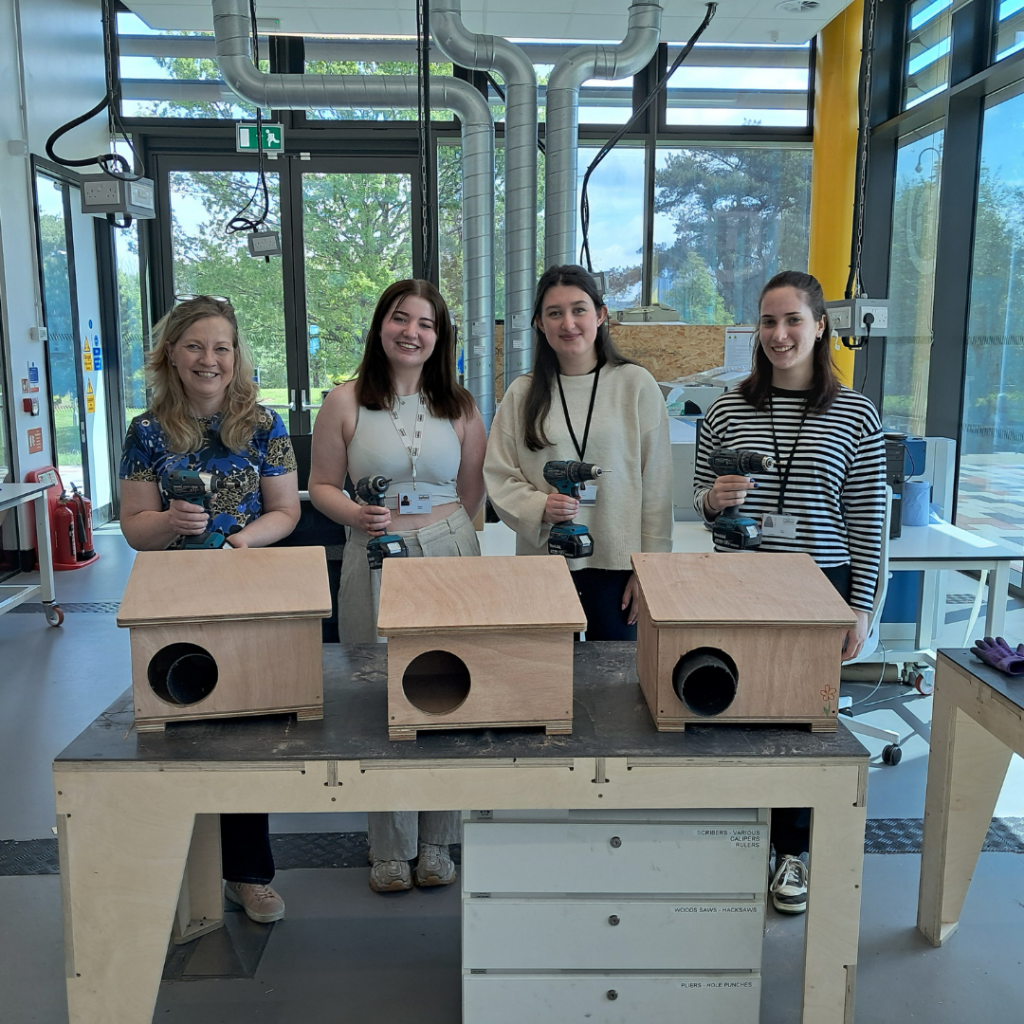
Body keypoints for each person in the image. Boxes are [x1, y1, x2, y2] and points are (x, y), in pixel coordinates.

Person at [693, 269, 886, 915]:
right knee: (736, 715)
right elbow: (702, 503)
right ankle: (735, 840)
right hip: (741, 583)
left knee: (805, 727)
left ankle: (793, 852)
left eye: (793, 320)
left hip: (817, 587)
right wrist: (712, 499)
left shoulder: (855, 412)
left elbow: (867, 519)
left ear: (820, 324)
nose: (779, 335)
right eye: (768, 322)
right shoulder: (726, 408)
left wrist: (862, 605)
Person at [119, 295, 300, 925]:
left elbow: (286, 510)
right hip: (174, 597)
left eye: (221, 346)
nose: (209, 359)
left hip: (243, 589)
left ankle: (248, 874)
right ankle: (178, 867)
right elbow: (134, 527)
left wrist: (238, 542)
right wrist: (168, 521)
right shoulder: (146, 431)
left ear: (236, 355)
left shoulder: (265, 425)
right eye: (195, 346)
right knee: (181, 727)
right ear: (171, 353)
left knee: (245, 728)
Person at [308, 279, 486, 893]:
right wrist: (356, 514)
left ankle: (438, 841)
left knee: (450, 688)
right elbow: (323, 485)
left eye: (426, 323)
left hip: (449, 554)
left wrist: (443, 535)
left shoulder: (460, 406)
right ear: (380, 325)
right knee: (382, 697)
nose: (412, 332)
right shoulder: (346, 401)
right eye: (400, 318)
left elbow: (471, 494)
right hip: (375, 551)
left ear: (441, 337)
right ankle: (388, 845)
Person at [484, 264, 673, 640]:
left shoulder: (635, 384)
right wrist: (539, 507)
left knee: (615, 681)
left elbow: (657, 485)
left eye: (579, 309)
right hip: (547, 562)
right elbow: (499, 475)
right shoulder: (522, 393)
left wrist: (651, 568)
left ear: (600, 315)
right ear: (539, 323)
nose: (568, 323)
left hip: (618, 566)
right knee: (551, 679)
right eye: (555, 313)